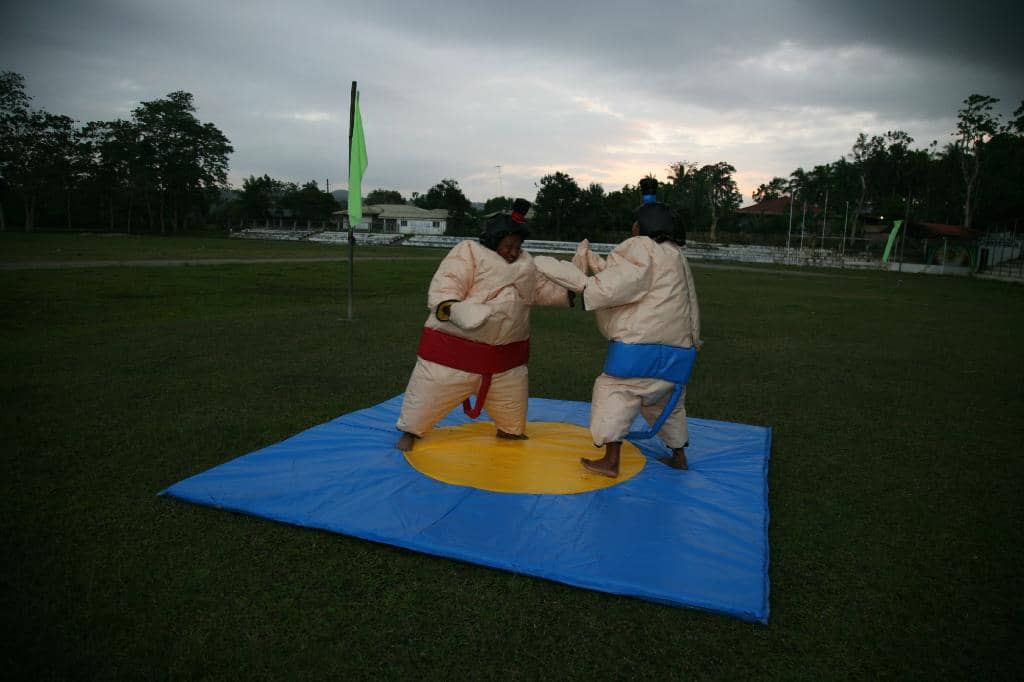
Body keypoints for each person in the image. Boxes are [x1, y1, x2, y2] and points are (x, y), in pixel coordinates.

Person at [534, 177, 701, 477]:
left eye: (634, 226)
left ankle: (610, 461)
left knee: (615, 392)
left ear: (641, 229)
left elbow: (617, 284)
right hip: (677, 352)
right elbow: (628, 276)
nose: (631, 231)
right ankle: (679, 455)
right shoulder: (675, 255)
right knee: (665, 401)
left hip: (640, 348)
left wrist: (558, 271)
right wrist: (592, 259)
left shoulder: (641, 248)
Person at [395, 199, 573, 451]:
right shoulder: (468, 253)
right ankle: (411, 432)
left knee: (512, 417)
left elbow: (540, 291)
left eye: (518, 246)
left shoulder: (526, 264)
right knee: (424, 401)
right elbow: (445, 286)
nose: (513, 252)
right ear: (493, 239)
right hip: (452, 356)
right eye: (508, 246)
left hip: (506, 362)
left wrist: (573, 291)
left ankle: (509, 430)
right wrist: (455, 310)